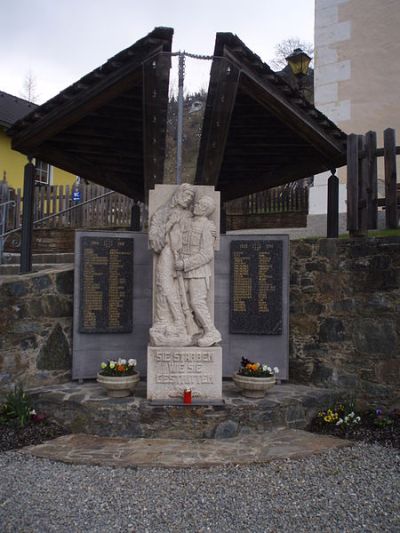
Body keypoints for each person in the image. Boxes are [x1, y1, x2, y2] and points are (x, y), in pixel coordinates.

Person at [148, 183, 195, 346]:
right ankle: (163, 321)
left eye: (191, 197)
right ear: (178, 194)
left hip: (184, 258)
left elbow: (193, 240)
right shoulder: (161, 213)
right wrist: (169, 224)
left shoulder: (189, 216)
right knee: (163, 286)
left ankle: (180, 323)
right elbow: (155, 241)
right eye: (186, 194)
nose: (188, 199)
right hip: (167, 253)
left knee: (176, 290)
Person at [175, 194, 222, 347]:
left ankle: (211, 332)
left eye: (201, 205)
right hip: (182, 270)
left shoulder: (207, 226)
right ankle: (190, 333)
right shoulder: (186, 221)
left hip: (198, 272)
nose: (196, 205)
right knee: (183, 304)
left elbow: (207, 254)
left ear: (206, 210)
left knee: (197, 302)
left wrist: (185, 263)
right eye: (198, 203)